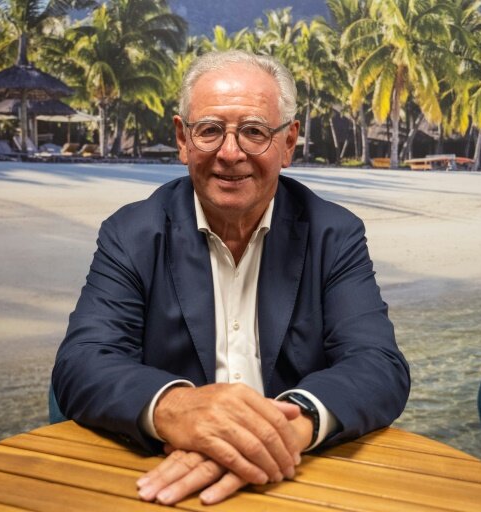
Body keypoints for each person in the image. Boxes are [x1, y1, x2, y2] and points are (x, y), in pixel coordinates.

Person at [52, 50, 410, 506]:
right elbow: (81, 362)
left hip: (292, 477)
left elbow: (379, 365)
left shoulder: (333, 234)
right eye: (210, 130)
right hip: (162, 478)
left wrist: (282, 430)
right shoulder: (132, 233)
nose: (230, 152)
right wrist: (176, 409)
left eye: (255, 132)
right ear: (183, 139)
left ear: (288, 143)